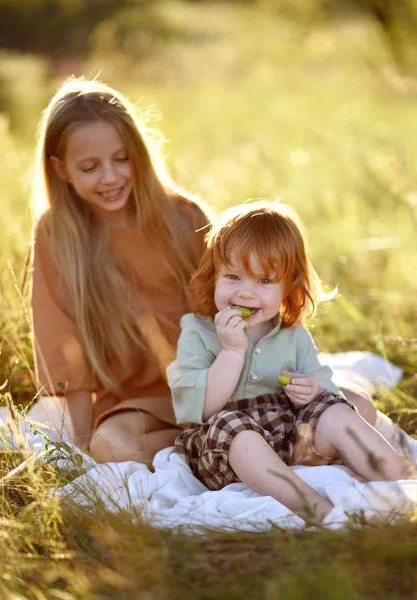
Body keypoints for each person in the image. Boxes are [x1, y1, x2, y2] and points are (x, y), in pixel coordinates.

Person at [167, 201, 409, 522]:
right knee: (236, 429)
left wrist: (311, 391)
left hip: (292, 438)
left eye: (264, 281)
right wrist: (232, 352)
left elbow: (325, 388)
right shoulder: (198, 331)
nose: (247, 293)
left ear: (288, 286)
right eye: (233, 276)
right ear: (213, 276)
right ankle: (315, 508)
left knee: (337, 409)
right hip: (228, 453)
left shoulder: (293, 335)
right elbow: (201, 409)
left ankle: (403, 486)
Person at [30, 77, 210, 465]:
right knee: (110, 447)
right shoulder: (57, 235)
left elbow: (236, 308)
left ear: (138, 154)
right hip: (137, 404)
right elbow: (64, 349)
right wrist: (79, 446)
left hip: (214, 387)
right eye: (90, 167)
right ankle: (207, 445)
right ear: (62, 170)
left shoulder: (184, 217)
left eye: (122, 158)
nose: (110, 177)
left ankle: (221, 435)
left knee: (352, 408)